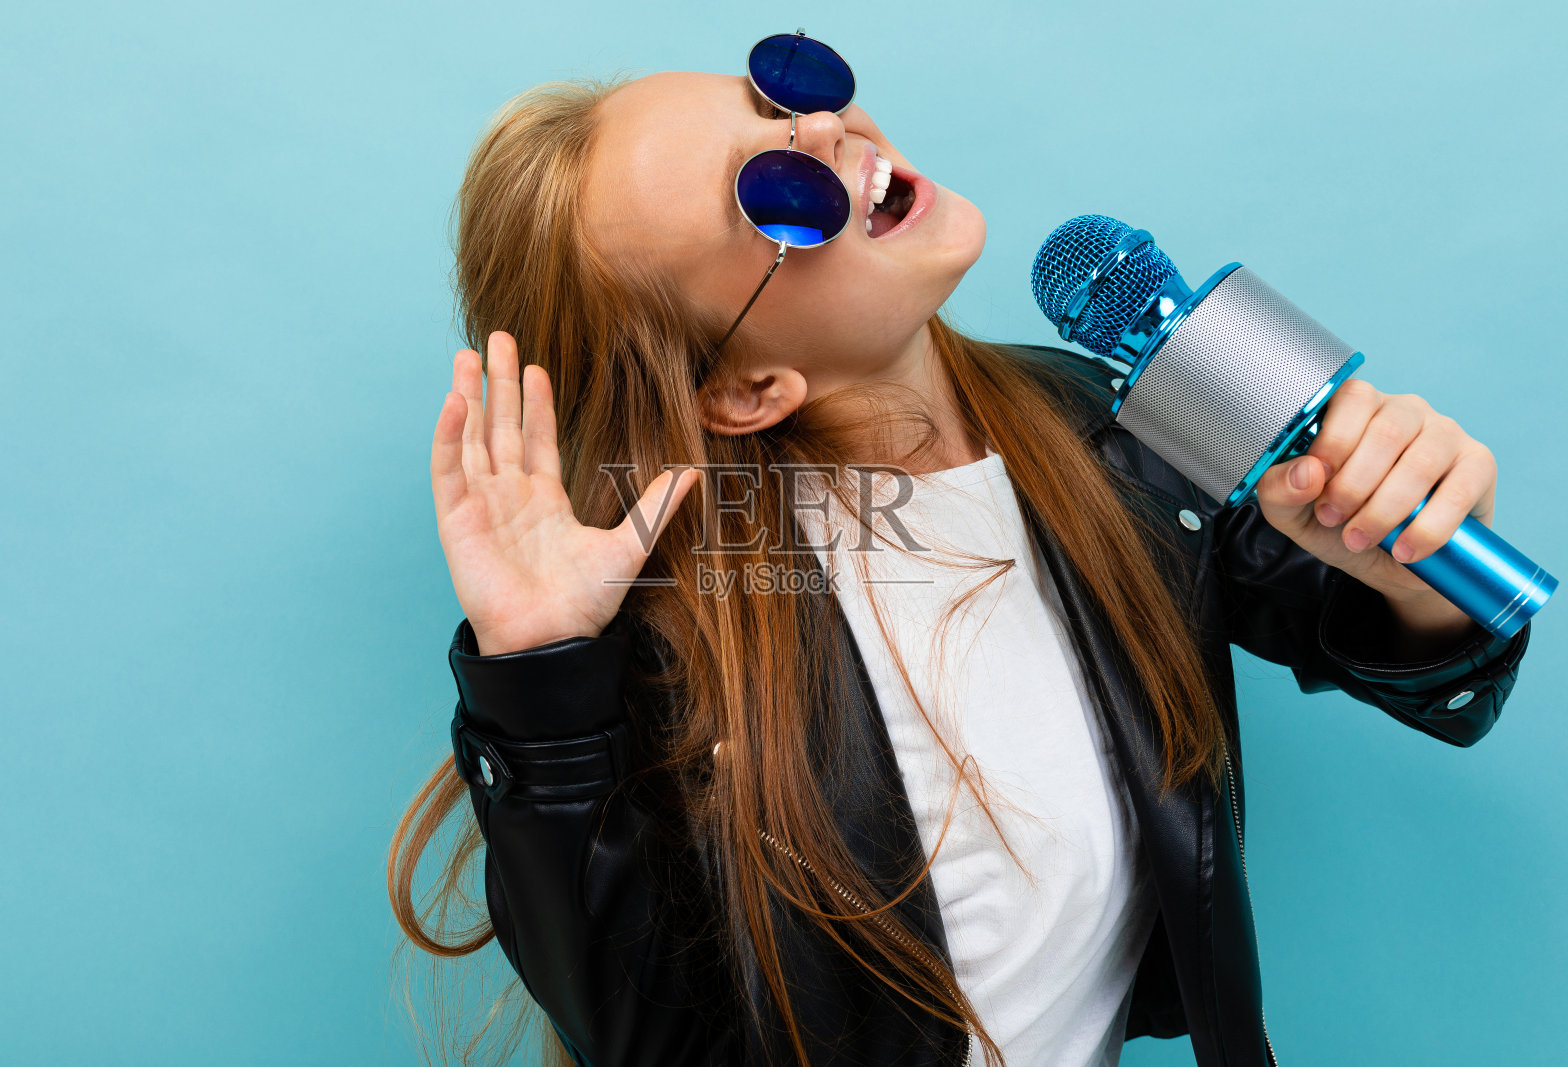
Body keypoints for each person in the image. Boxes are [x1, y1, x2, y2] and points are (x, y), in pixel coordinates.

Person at [388, 33, 1532, 1067]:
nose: (828, 130)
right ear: (745, 387)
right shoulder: (682, 624)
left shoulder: (1113, 425)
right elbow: (649, 1038)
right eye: (772, 188)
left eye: (782, 90)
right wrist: (536, 672)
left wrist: (1406, 558)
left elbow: (1435, 677)